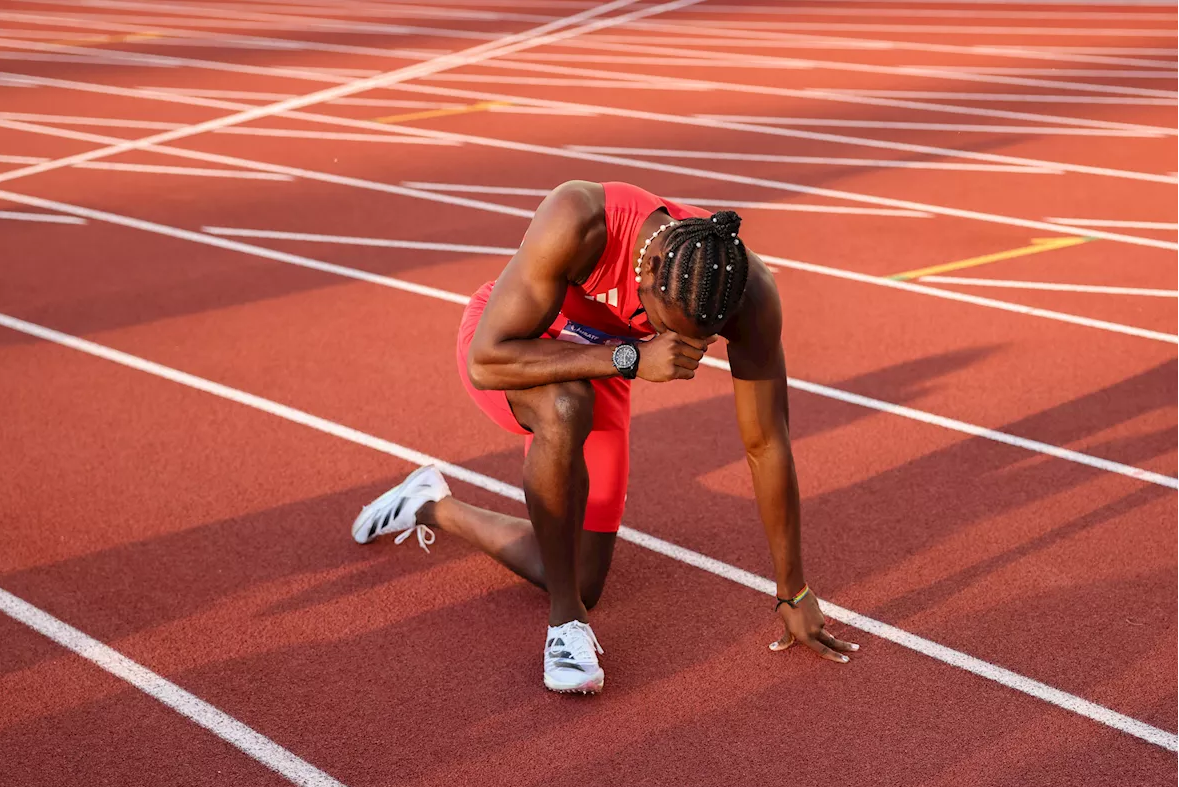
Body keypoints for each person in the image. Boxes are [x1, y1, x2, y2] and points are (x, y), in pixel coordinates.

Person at [352, 180, 858, 694]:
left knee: (584, 578)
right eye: (672, 327)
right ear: (651, 271)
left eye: (701, 339)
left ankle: (432, 505)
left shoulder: (747, 293)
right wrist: (632, 357)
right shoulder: (581, 219)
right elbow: (488, 359)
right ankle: (564, 627)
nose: (686, 346)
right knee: (567, 406)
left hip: (603, 365)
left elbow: (767, 443)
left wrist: (792, 591)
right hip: (520, 350)